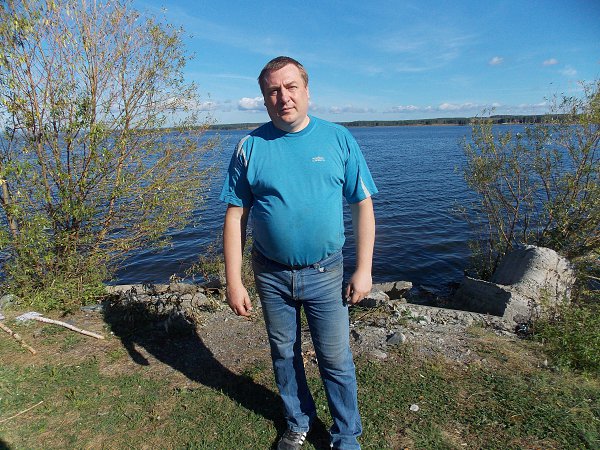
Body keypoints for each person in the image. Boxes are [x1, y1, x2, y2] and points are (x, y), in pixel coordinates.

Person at [219, 56, 377, 450]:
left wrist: (364, 269)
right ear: (264, 98)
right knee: (284, 354)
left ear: (307, 90)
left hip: (326, 272)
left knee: (335, 358)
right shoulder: (249, 147)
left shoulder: (339, 139)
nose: (283, 97)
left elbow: (362, 205)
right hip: (271, 274)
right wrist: (234, 281)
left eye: (291, 87)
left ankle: (346, 435)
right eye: (273, 91)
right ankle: (297, 422)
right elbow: (236, 216)